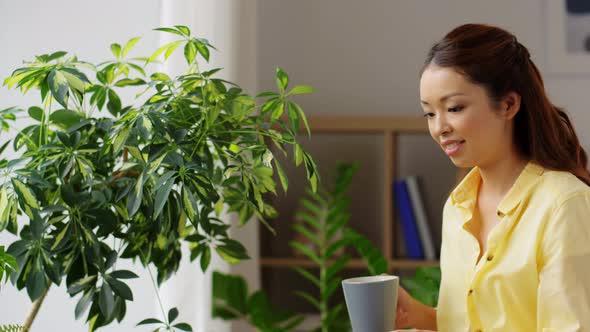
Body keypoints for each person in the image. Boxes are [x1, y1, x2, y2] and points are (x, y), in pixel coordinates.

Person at [392, 23, 590, 331]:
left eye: (454, 108)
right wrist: (416, 316)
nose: (439, 127)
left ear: (509, 104)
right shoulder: (457, 208)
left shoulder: (564, 204)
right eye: (429, 113)